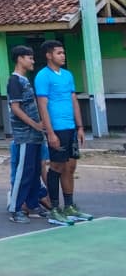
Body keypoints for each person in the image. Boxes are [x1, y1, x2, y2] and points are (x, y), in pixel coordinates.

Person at [35, 40, 92, 223]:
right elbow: (42, 106)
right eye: (59, 53)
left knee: (70, 167)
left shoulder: (68, 75)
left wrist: (80, 127)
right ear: (49, 55)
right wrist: (50, 133)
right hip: (56, 129)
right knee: (57, 167)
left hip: (70, 128)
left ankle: (69, 206)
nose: (63, 56)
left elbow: (74, 101)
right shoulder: (43, 76)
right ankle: (54, 208)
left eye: (63, 53)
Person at [6, 46, 54, 224]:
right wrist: (35, 124)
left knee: (34, 172)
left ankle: (33, 205)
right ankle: (15, 209)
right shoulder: (14, 81)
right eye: (30, 58)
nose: (33, 61)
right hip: (25, 135)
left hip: (35, 136)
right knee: (24, 173)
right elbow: (15, 108)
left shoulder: (25, 80)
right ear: (20, 59)